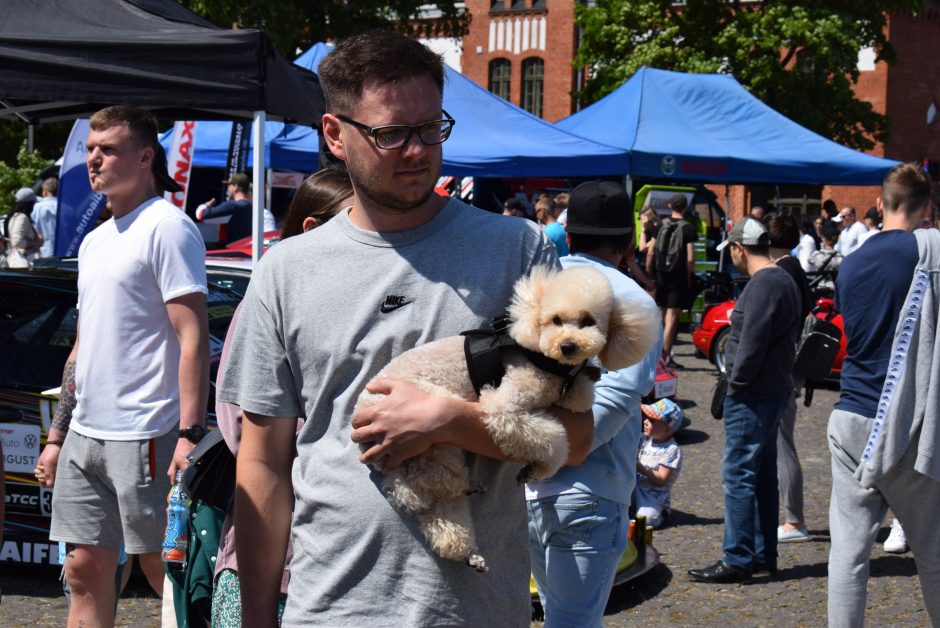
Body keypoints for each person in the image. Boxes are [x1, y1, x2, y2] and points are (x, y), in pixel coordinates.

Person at [218, 31, 592, 627]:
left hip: (474, 610)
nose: (417, 150)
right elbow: (263, 464)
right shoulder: (285, 272)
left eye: (430, 128)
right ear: (335, 135)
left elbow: (574, 436)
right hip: (331, 608)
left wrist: (451, 422)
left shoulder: (516, 253)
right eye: (391, 133)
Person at [36, 105, 209, 627]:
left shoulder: (167, 228)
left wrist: (188, 432)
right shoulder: (94, 241)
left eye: (107, 149)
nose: (94, 159)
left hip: (148, 432)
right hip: (87, 434)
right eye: (90, 149)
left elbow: (193, 335)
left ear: (144, 156)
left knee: (165, 573)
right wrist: (57, 437)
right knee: (84, 569)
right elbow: (82, 349)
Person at [211, 167, 353, 627]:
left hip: (338, 565)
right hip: (273, 559)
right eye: (354, 223)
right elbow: (242, 429)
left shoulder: (354, 307)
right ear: (311, 228)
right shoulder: (268, 302)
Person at [526, 180, 661, 628]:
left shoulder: (541, 291)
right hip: (590, 491)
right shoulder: (635, 302)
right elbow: (608, 411)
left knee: (556, 617)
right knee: (574, 622)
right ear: (627, 243)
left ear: (571, 233)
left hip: (523, 483)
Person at [827, 162, 940, 627]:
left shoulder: (851, 262)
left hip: (850, 414)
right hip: (908, 421)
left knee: (848, 553)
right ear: (928, 208)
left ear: (879, 203)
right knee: (933, 552)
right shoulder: (930, 250)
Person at [688, 218, 800, 583]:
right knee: (762, 474)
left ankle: (737, 556)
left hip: (754, 392)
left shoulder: (765, 283)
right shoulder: (780, 277)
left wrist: (733, 383)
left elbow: (750, 345)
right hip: (771, 388)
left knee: (738, 472)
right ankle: (763, 554)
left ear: (738, 248)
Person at [763, 214, 813, 543]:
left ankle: (794, 520)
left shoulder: (783, 271)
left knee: (783, 445)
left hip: (783, 370)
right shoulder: (794, 268)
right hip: (791, 368)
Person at [647, 194, 696, 369]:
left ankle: (653, 354)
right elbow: (690, 258)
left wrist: (649, 273)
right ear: (685, 207)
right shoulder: (689, 228)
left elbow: (651, 250)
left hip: (660, 276)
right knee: (672, 318)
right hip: (678, 277)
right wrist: (690, 276)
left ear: (669, 205)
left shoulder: (661, 224)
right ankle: (665, 357)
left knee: (659, 315)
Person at [635, 398, 684, 529]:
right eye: (646, 417)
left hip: (653, 494)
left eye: (652, 421)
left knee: (647, 519)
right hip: (634, 486)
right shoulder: (644, 439)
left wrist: (639, 466)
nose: (645, 421)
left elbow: (662, 479)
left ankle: (661, 512)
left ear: (667, 430)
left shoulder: (671, 449)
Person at [195, 172, 252, 244]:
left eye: (229, 185)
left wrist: (206, 205)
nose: (228, 188)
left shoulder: (233, 205)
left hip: (233, 250)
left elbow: (201, 215)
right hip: (244, 250)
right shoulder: (250, 207)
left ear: (236, 187)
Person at [4, 188, 43, 267]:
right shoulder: (22, 217)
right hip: (25, 262)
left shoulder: (14, 216)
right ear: (29, 204)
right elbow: (16, 241)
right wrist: (35, 242)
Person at [32, 177, 59, 257]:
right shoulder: (65, 207)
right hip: (64, 250)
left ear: (45, 192)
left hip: (45, 250)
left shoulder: (37, 207)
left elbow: (36, 230)